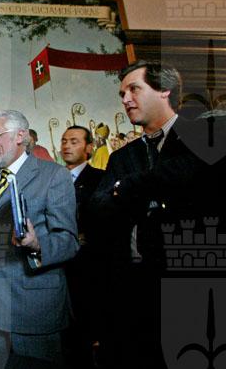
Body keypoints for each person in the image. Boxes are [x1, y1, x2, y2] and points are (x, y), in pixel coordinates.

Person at [89, 60, 224, 369]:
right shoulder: (122, 156)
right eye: (122, 94)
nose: (125, 100)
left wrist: (128, 190)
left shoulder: (204, 136)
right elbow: (97, 208)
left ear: (164, 90)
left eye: (134, 89)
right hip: (133, 291)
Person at [0, 110, 78, 367]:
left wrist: (37, 245)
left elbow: (69, 241)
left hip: (34, 309)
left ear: (20, 136)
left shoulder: (54, 175)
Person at [60, 125, 105, 369]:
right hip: (56, 266)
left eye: (74, 141)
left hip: (88, 267)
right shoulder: (52, 179)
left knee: (85, 333)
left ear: (89, 148)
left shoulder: (100, 178)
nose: (66, 146)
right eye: (64, 141)